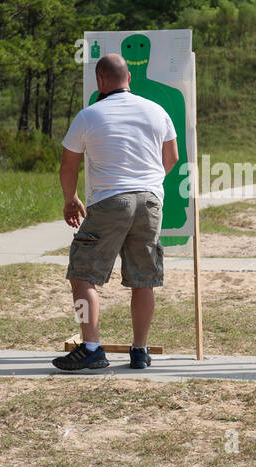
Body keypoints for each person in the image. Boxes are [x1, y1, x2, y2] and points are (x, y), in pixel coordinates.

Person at [53, 52, 178, 371]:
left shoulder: (89, 115)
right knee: (143, 279)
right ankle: (140, 351)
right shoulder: (157, 110)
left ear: (100, 81)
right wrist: (148, 183)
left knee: (82, 275)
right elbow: (172, 157)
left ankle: (92, 347)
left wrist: (72, 198)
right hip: (150, 200)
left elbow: (68, 165)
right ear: (129, 79)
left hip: (110, 200)